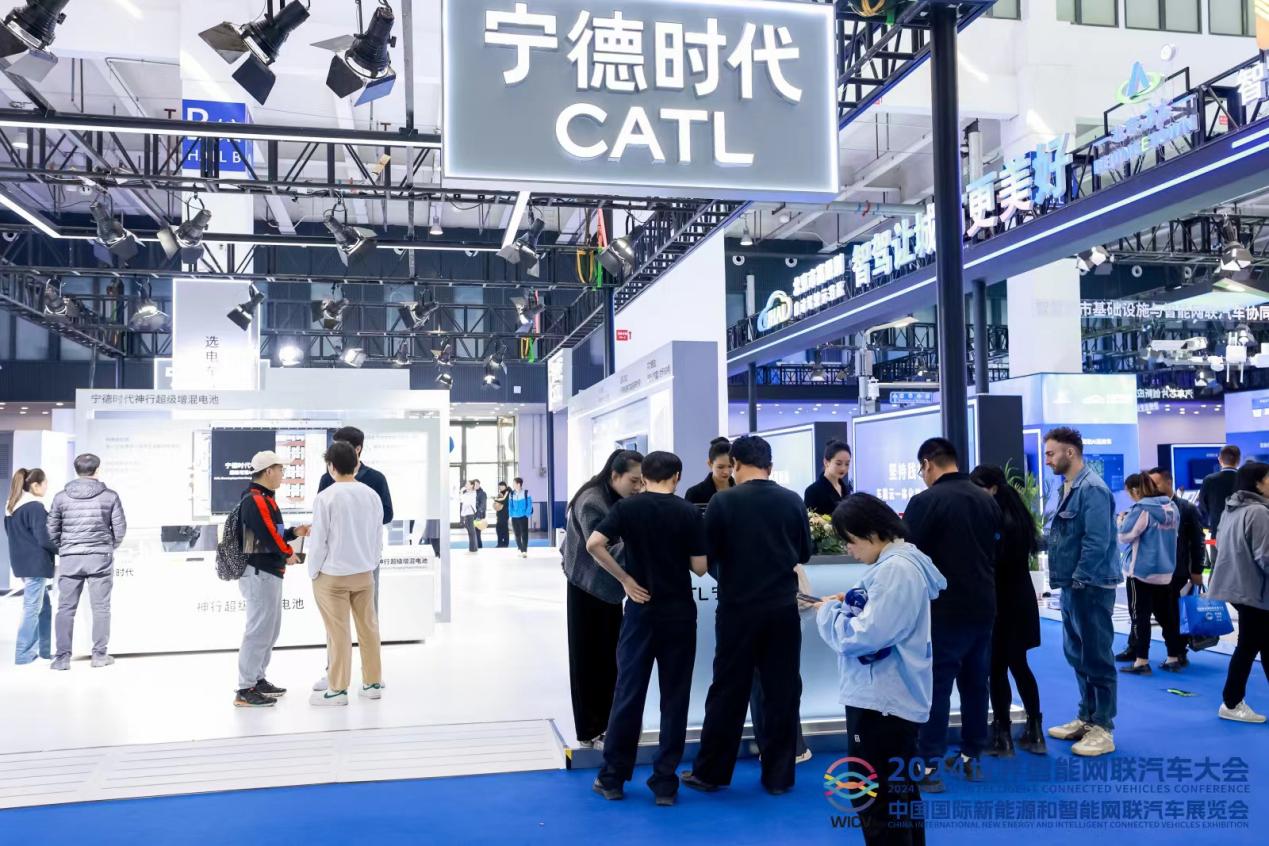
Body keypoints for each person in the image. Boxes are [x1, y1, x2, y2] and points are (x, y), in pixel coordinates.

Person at [682, 435, 812, 796]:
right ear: (769, 466)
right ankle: (779, 776)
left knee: (728, 690)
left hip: (738, 608)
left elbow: (707, 556)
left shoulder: (723, 501)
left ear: (736, 464)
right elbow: (804, 552)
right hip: (783, 609)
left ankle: (711, 773)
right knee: (782, 691)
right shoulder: (792, 500)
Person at [816, 493, 946, 846]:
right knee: (897, 795)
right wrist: (849, 603)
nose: (849, 550)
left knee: (875, 796)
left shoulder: (896, 570)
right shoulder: (899, 565)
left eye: (851, 540)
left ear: (872, 532)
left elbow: (866, 637)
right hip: (888, 698)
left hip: (882, 701)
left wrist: (828, 615)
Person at [586, 451, 709, 806]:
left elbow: (594, 544)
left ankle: (612, 777)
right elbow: (700, 568)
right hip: (679, 615)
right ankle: (665, 783)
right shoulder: (688, 512)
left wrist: (625, 579)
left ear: (645, 477)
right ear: (677, 476)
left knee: (628, 693)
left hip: (640, 613)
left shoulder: (627, 508)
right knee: (675, 698)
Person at [903, 438, 1000, 790]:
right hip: (983, 603)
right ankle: (972, 756)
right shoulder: (987, 500)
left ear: (928, 463)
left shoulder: (925, 501)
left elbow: (908, 555)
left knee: (937, 685)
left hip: (942, 607)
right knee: (976, 683)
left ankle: (929, 764)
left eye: (921, 469)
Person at [1043, 427, 1120, 757]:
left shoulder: (1093, 489)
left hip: (1090, 585)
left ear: (1070, 453)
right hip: (1073, 585)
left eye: (1051, 453)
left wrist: (1080, 578)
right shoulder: (1070, 487)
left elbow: (1096, 541)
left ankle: (1103, 727)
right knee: (1077, 654)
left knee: (1097, 656)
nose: (1047, 460)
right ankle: (1087, 718)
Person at [561, 449, 645, 747]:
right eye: (633, 481)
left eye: (642, 481)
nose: (638, 487)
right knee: (588, 660)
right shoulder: (592, 501)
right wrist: (645, 544)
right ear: (614, 475)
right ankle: (589, 731)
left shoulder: (615, 498)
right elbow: (600, 550)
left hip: (608, 588)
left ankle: (607, 725)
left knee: (609, 658)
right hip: (587, 588)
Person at [969, 464, 1045, 757]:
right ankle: (1034, 729)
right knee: (1019, 664)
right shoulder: (1019, 516)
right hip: (1020, 599)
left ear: (992, 488)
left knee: (996, 668)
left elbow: (989, 562)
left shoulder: (994, 519)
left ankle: (1002, 734)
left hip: (998, 600)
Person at [314, 426, 394, 694]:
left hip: (359, 562)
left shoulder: (375, 479)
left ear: (357, 448)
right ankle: (338, 674)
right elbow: (322, 524)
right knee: (340, 625)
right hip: (344, 563)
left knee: (363, 623)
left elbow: (386, 515)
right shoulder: (327, 481)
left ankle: (364, 679)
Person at [233, 451, 309, 707]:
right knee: (258, 631)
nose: (282, 475)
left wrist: (293, 532)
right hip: (259, 573)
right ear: (268, 471)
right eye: (280, 470)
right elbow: (269, 536)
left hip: (266, 572)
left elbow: (272, 533)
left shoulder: (262, 499)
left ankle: (257, 679)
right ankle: (245, 688)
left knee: (269, 630)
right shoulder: (255, 500)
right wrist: (288, 552)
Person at [46, 453, 127, 671]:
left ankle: (62, 658)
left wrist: (65, 548)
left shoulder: (60, 497)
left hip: (70, 558)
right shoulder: (110, 496)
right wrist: (107, 547)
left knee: (65, 608)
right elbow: (120, 529)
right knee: (101, 608)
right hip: (100, 558)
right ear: (97, 470)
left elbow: (52, 530)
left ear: (77, 470)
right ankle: (99, 655)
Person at [1208, 461, 1269, 723]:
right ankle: (1231, 702)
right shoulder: (1258, 512)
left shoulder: (1232, 509)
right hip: (1254, 590)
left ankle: (1232, 701)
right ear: (1258, 483)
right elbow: (1265, 556)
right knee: (1248, 646)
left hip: (1239, 587)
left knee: (1258, 644)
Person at [1117, 473, 1184, 675]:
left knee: (1140, 617)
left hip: (1141, 572)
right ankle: (1173, 657)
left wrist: (1121, 521)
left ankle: (1141, 661)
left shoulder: (1141, 509)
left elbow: (1125, 536)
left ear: (1135, 490)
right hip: (1165, 570)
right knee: (1167, 617)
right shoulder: (1172, 507)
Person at [1142, 467, 1207, 665]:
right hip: (1152, 572)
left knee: (1174, 614)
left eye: (1156, 483)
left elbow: (1198, 541)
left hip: (1177, 572)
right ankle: (1162, 650)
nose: (1152, 488)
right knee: (1155, 612)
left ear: (1168, 482)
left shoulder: (1186, 508)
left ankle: (1179, 651)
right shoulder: (1148, 507)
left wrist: (1196, 570)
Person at [6, 469, 57, 665]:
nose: (46, 487)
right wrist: (64, 550)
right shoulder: (35, 507)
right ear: (35, 485)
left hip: (23, 564)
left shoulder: (12, 507)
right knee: (33, 608)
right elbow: (45, 539)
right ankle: (23, 654)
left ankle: (43, 651)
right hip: (36, 565)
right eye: (45, 483)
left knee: (43, 607)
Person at [1198, 445, 1241, 540]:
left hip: (1217, 532)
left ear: (1220, 459)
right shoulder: (1244, 479)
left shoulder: (1209, 480)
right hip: (1240, 533)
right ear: (1238, 460)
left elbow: (1202, 506)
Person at [804, 439, 853, 517]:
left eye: (847, 464)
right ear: (826, 462)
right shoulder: (812, 491)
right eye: (838, 463)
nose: (843, 468)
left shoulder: (846, 489)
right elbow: (810, 521)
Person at [684, 437, 734, 505]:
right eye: (720, 467)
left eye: (730, 466)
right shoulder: (694, 493)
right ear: (710, 464)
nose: (726, 472)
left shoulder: (741, 491)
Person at [508, 477, 533, 558]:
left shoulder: (526, 493)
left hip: (523, 516)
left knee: (524, 533)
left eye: (514, 483)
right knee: (517, 534)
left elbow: (529, 504)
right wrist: (511, 514)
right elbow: (510, 505)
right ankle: (520, 548)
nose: (513, 485)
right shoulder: (511, 494)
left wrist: (527, 514)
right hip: (514, 517)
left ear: (518, 484)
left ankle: (524, 550)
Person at [459, 481, 480, 554]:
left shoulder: (473, 493)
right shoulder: (467, 493)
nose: (466, 485)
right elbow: (461, 500)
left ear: (471, 486)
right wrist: (461, 491)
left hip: (470, 514)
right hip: (466, 514)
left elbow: (467, 502)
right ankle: (472, 548)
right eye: (466, 484)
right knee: (470, 532)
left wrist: (463, 495)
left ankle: (473, 548)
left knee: (472, 532)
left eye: (467, 484)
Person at [494, 481, 511, 548]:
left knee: (504, 529)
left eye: (501, 486)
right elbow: (497, 502)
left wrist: (496, 499)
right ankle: (500, 543)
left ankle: (505, 544)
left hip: (505, 513)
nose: (500, 487)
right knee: (499, 528)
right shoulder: (500, 493)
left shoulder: (508, 492)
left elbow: (504, 501)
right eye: (499, 486)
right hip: (499, 513)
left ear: (505, 486)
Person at [474, 480, 488, 549]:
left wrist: (479, 516)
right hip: (472, 515)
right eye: (474, 484)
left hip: (478, 516)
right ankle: (475, 547)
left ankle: (479, 547)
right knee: (474, 533)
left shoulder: (482, 493)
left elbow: (483, 505)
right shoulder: (472, 493)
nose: (475, 486)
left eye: (477, 484)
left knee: (477, 533)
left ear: (479, 484)